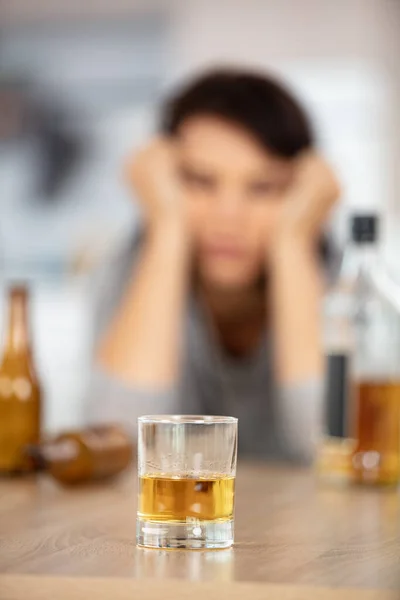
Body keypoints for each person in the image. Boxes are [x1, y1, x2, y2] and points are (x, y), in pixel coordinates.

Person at [86, 69, 340, 462]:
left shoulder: (344, 283)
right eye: (200, 181)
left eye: (263, 187)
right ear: (162, 180)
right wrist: (167, 228)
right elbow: (118, 445)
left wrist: (292, 244)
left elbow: (334, 448)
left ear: (301, 191)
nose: (228, 217)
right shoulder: (135, 266)